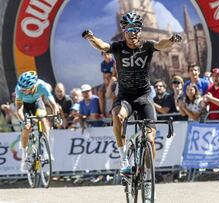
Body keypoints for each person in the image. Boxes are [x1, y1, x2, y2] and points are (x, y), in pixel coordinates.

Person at [82, 11, 182, 197]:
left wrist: (172, 39)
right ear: (124, 31)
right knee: (117, 116)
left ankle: (147, 174)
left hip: (144, 97)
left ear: (140, 30)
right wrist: (91, 37)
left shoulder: (147, 46)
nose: (133, 33)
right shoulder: (118, 47)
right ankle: (124, 162)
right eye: (129, 29)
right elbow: (102, 46)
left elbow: (162, 44)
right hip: (125, 97)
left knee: (150, 139)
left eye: (136, 29)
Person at [14, 71, 60, 170]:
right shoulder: (19, 89)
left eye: (25, 89)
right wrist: (24, 121)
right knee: (26, 128)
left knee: (42, 118)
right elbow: (19, 109)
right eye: (22, 89)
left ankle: (47, 151)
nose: (23, 91)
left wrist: (56, 114)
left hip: (36, 102)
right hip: (24, 106)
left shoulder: (41, 86)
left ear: (33, 86)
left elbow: (53, 103)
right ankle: (26, 155)